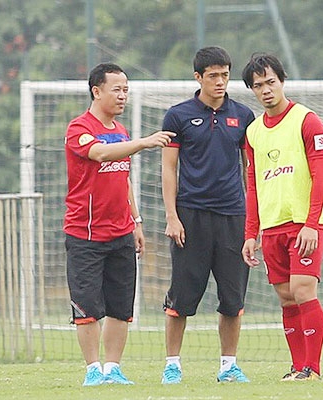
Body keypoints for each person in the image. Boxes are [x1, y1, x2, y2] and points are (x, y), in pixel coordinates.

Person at [64, 62, 175, 386]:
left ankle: (113, 369)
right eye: (117, 89)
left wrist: (136, 221)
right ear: (97, 91)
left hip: (121, 234)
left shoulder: (121, 131)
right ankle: (93, 371)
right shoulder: (79, 128)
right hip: (85, 235)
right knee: (86, 307)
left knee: (120, 306)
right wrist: (143, 142)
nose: (123, 95)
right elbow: (100, 154)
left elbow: (123, 180)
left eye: (126, 89)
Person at [160, 46, 255, 384]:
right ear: (198, 77)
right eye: (213, 75)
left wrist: (252, 223)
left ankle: (229, 365)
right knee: (181, 297)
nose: (220, 81)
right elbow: (169, 169)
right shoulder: (177, 116)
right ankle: (173, 365)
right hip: (191, 216)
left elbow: (250, 171)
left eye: (225, 75)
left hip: (233, 217)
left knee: (233, 298)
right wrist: (172, 215)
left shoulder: (244, 116)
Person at [241, 53, 323, 382]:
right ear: (252, 89)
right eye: (258, 85)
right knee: (286, 297)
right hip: (272, 228)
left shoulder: (307, 120)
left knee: (304, 290)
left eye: (271, 82)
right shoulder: (252, 133)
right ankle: (298, 368)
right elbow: (252, 185)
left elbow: (321, 175)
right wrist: (251, 233)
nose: (266, 90)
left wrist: (311, 222)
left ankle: (313, 369)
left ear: (283, 81)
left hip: (304, 225)